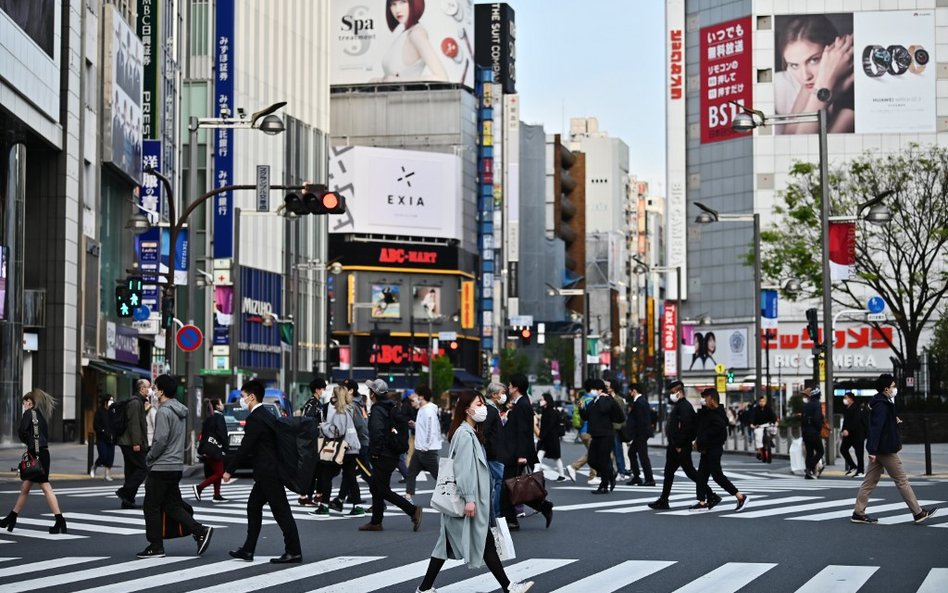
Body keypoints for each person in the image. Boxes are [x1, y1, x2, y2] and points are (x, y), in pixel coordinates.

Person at [414, 391, 534, 593]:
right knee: (479, 543)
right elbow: (463, 469)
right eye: (479, 404)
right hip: (467, 500)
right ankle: (509, 587)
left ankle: (425, 589)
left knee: (451, 545)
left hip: (469, 500)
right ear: (467, 409)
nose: (483, 408)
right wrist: (469, 499)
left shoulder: (470, 433)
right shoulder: (465, 435)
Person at [223, 380, 302, 563]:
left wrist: (229, 470)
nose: (241, 401)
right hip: (270, 472)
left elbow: (245, 447)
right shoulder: (266, 414)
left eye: (243, 397)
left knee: (281, 511)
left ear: (251, 397)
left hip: (268, 473)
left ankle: (294, 551)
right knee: (254, 507)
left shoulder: (255, 418)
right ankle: (248, 550)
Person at [138, 375, 214, 559]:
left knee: (151, 506)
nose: (153, 391)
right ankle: (200, 531)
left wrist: (149, 457)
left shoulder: (164, 411)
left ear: (162, 391)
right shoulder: (180, 410)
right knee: (172, 505)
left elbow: (161, 440)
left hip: (161, 466)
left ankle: (156, 546)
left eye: (155, 388)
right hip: (175, 466)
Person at [852, 373, 937, 525]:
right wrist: (872, 450)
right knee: (902, 480)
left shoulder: (880, 402)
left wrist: (893, 420)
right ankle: (918, 513)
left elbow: (880, 424)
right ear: (886, 389)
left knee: (869, 482)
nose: (894, 389)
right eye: (893, 386)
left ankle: (858, 513)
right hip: (885, 450)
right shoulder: (882, 405)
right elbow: (876, 428)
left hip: (879, 449)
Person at [359, 381, 424, 532]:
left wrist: (374, 453)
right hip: (392, 452)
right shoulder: (392, 406)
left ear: (373, 394)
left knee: (382, 489)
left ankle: (412, 510)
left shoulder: (377, 410)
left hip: (382, 455)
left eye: (370, 390)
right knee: (376, 487)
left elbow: (377, 432)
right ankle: (376, 522)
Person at [0, 389, 67, 534]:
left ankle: (60, 520)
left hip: (35, 455)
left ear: (29, 402)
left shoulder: (28, 414)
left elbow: (22, 432)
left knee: (46, 488)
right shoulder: (40, 416)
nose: (24, 406)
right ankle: (11, 517)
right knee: (25, 488)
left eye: (24, 403)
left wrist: (28, 442)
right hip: (43, 453)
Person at [774, 15, 854, 134]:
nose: (805, 76)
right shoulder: (810, 83)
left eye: (814, 60)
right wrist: (823, 88)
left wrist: (824, 85)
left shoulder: (853, 93)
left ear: (834, 51)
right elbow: (789, 135)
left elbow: (803, 147)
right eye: (794, 65)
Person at [500, 373, 553, 530]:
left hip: (517, 453)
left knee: (508, 486)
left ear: (516, 387)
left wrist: (522, 455)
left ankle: (511, 520)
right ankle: (542, 506)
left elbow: (524, 431)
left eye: (510, 385)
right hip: (515, 452)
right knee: (515, 486)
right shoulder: (521, 403)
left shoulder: (522, 405)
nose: (508, 388)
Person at [690, 388, 749, 513]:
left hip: (713, 449)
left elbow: (717, 433)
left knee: (717, 476)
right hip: (706, 449)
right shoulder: (709, 412)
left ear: (711, 399)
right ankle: (701, 502)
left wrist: (701, 441)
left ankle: (741, 497)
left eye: (705, 398)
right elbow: (702, 428)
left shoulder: (716, 414)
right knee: (701, 475)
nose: (704, 400)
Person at [649, 380, 700, 510]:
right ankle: (663, 499)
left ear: (679, 392)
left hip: (679, 446)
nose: (670, 395)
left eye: (672, 392)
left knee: (689, 472)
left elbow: (687, 428)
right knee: (670, 472)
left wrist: (679, 444)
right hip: (676, 445)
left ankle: (711, 494)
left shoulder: (685, 407)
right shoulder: (680, 406)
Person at [313, 386, 363, 516]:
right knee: (351, 477)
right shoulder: (350, 408)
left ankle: (324, 506)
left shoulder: (339, 411)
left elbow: (338, 431)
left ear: (335, 396)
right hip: (352, 447)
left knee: (326, 476)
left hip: (341, 448)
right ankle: (357, 506)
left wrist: (324, 427)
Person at [380, 0, 448, 83]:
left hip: (407, 95)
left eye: (403, 2)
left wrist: (399, 80)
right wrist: (380, 80)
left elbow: (442, 77)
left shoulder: (416, 34)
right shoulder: (404, 34)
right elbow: (395, 75)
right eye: (393, 4)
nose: (397, 9)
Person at [580, 379, 625, 494]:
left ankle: (604, 486)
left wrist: (604, 398)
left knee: (603, 460)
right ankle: (611, 474)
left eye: (594, 389)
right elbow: (586, 416)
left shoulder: (606, 399)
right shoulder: (594, 400)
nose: (592, 391)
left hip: (606, 434)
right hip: (595, 435)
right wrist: (581, 408)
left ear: (600, 389)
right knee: (592, 460)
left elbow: (606, 410)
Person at [334, 378, 369, 515]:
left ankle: (380, 498)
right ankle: (342, 500)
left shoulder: (352, 406)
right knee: (349, 474)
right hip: (354, 444)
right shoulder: (353, 405)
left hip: (356, 444)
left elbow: (360, 426)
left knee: (366, 474)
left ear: (350, 391)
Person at [116, 379, 150, 509]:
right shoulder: (135, 403)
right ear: (141, 389)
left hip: (127, 442)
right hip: (131, 443)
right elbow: (134, 424)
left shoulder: (138, 401)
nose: (149, 389)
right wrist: (136, 443)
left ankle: (128, 500)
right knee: (142, 469)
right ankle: (125, 492)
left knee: (131, 470)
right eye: (147, 387)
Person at [405, 384, 443, 501]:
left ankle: (453, 494)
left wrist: (426, 446)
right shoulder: (422, 409)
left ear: (421, 397)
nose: (413, 398)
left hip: (427, 450)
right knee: (411, 472)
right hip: (420, 449)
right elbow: (424, 427)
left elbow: (431, 430)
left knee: (439, 476)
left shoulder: (428, 411)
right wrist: (415, 425)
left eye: (416, 395)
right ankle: (408, 495)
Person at [299, 377, 328, 506]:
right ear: (317, 390)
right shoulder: (313, 404)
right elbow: (308, 422)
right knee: (315, 468)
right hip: (314, 441)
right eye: (322, 389)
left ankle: (312, 495)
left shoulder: (312, 403)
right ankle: (307, 495)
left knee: (316, 469)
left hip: (313, 441)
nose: (324, 391)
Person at [193, 398, 228, 503]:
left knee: (218, 471)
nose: (222, 405)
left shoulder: (208, 418)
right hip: (216, 448)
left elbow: (203, 434)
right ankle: (199, 487)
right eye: (221, 403)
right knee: (219, 473)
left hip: (208, 449)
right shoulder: (219, 417)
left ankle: (217, 495)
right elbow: (222, 434)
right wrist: (226, 447)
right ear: (217, 406)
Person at [483, 382, 508, 519]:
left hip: (493, 452)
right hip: (493, 453)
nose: (503, 396)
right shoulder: (490, 410)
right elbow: (485, 432)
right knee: (500, 481)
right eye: (502, 393)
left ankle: (493, 511)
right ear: (493, 395)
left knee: (495, 482)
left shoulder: (491, 409)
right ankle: (496, 512)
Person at [625, 383, 655, 487]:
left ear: (634, 390)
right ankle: (637, 477)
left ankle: (649, 479)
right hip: (641, 433)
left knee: (642, 456)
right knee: (632, 453)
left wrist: (633, 433)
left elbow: (640, 420)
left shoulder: (640, 402)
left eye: (630, 390)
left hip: (641, 433)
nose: (629, 393)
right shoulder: (640, 401)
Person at [566, 387, 597, 484]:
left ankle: (594, 475)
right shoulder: (592, 400)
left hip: (582, 431)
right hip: (589, 431)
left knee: (592, 452)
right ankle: (576, 468)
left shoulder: (582, 398)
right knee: (593, 453)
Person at [536, 393, 567, 481]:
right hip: (547, 439)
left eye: (542, 399)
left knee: (556, 457)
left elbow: (549, 426)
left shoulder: (551, 412)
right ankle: (535, 475)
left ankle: (562, 475)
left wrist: (541, 436)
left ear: (547, 401)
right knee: (539, 457)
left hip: (551, 439)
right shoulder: (546, 411)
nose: (540, 401)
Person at [839, 391, 865, 478]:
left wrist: (848, 430)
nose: (844, 399)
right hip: (848, 434)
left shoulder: (856, 408)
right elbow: (845, 421)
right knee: (843, 449)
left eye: (846, 398)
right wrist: (843, 430)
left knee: (859, 453)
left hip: (857, 434)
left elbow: (856, 421)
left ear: (851, 399)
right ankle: (853, 466)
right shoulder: (846, 408)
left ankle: (861, 471)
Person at [801, 386, 825, 479]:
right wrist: (818, 429)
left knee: (809, 452)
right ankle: (810, 468)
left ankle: (808, 472)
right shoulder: (817, 404)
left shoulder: (806, 405)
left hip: (806, 432)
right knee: (820, 451)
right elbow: (817, 419)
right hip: (814, 432)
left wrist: (803, 432)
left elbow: (802, 420)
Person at [91, 394, 116, 481]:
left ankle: (107, 474)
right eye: (110, 400)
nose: (112, 402)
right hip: (101, 438)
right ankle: (95, 466)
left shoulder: (113, 411)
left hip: (111, 438)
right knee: (103, 455)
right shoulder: (99, 411)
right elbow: (95, 425)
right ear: (105, 401)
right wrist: (102, 430)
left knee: (110, 457)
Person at [749, 396, 778, 463]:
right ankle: (759, 450)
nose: (762, 403)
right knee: (758, 437)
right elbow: (752, 417)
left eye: (763, 401)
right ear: (759, 402)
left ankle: (770, 440)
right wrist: (752, 424)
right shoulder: (755, 409)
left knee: (774, 430)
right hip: (759, 426)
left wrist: (775, 422)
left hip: (768, 425)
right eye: (761, 401)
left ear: (765, 402)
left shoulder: (768, 408)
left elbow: (773, 416)